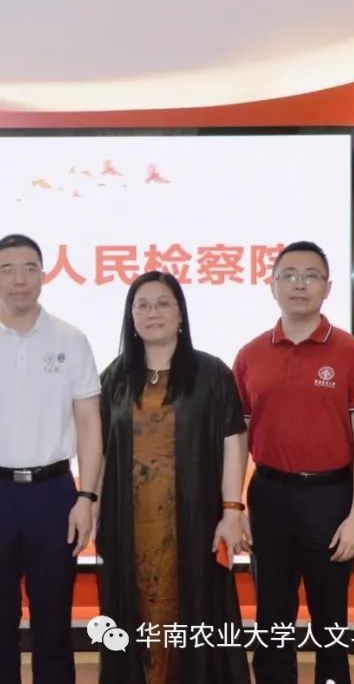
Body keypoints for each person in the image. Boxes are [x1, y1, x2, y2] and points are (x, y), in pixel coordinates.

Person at [0, 233, 102, 684]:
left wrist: (86, 497)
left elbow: (89, 422)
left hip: (54, 494)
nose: (19, 280)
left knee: (54, 624)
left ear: (44, 275)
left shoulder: (71, 340)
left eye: (29, 268)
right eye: (8, 270)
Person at [232, 240, 354, 684]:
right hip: (270, 496)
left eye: (311, 276)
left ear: (328, 287)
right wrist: (233, 507)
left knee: (330, 619)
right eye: (290, 275)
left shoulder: (353, 354)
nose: (300, 284)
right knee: (272, 618)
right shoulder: (250, 355)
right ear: (272, 284)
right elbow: (237, 441)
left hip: (331, 499)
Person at [96, 271, 251, 684]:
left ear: (180, 313)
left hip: (193, 523)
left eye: (163, 304)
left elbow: (233, 442)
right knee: (132, 615)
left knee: (197, 611)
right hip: (129, 526)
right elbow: (100, 452)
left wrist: (232, 511)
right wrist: (93, 507)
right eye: (142, 306)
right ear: (131, 317)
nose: (153, 313)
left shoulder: (211, 374)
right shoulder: (114, 379)